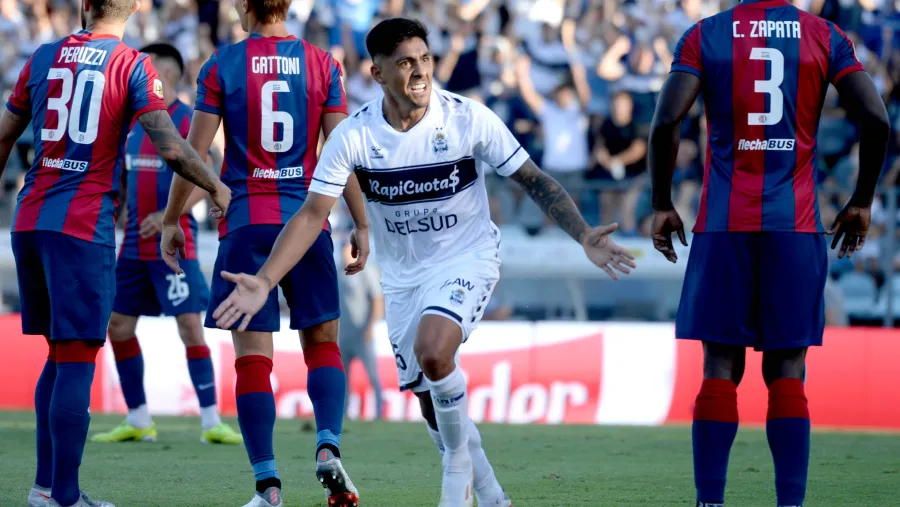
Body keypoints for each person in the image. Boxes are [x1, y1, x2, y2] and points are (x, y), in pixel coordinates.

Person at [209, 17, 636, 507]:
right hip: (403, 280)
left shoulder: (467, 118)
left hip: (467, 258)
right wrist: (266, 281)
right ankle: (493, 496)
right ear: (377, 73)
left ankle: (456, 475)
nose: (419, 72)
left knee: (434, 352)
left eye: (425, 59)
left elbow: (533, 179)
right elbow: (311, 215)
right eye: (405, 63)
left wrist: (583, 233)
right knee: (432, 402)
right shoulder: (354, 135)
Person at [648, 2, 890, 507]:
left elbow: (667, 120)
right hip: (794, 226)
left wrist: (662, 203)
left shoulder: (705, 35)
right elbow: (876, 117)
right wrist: (863, 200)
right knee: (787, 370)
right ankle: (789, 503)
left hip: (724, 224)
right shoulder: (824, 36)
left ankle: (710, 501)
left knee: (719, 365)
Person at [0, 0, 229, 505]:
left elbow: (3, 138)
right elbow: (172, 147)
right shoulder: (131, 64)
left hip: (30, 219)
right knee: (76, 358)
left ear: (85, 5)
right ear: (134, 9)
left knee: (58, 356)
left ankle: (44, 489)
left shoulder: (43, 56)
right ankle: (64, 496)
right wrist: (216, 186)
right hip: (81, 226)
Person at [160, 1, 368, 506]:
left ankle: (267, 486)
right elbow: (340, 150)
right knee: (322, 342)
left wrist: (172, 218)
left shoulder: (222, 65)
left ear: (244, 5)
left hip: (246, 223)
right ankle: (328, 444)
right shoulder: (322, 63)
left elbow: (193, 153)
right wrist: (361, 221)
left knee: (252, 360)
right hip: (306, 221)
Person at [90, 42, 241, 446]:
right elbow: (125, 174)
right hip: (133, 247)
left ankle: (211, 421)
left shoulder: (186, 119)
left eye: (148, 67)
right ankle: (139, 418)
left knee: (190, 326)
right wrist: (122, 207)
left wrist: (166, 216)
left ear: (168, 74)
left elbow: (208, 179)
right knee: (118, 326)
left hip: (175, 245)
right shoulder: (132, 121)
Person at [336, 238, 385, 420]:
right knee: (343, 377)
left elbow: (377, 299)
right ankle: (343, 413)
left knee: (372, 375)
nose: (345, 253)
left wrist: (371, 327)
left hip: (362, 333)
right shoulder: (338, 271)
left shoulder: (366, 270)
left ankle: (380, 412)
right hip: (343, 335)